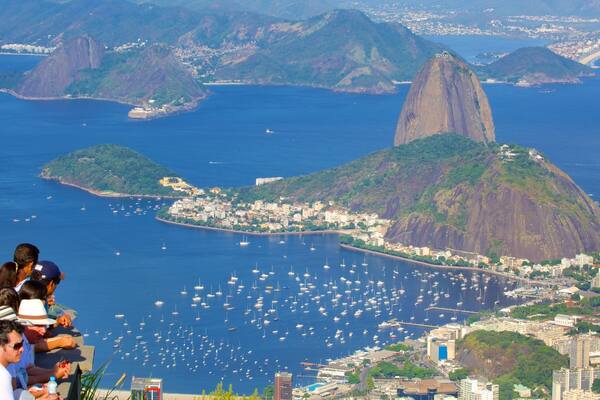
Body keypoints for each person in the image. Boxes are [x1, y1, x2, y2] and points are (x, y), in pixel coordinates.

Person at [30, 262, 71, 328]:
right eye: (57, 282)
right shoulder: (39, 303)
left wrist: (58, 321)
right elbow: (37, 332)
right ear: (51, 283)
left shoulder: (25, 294)